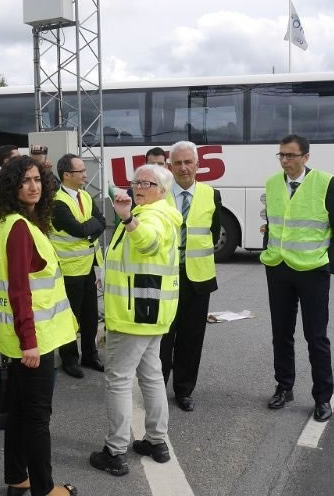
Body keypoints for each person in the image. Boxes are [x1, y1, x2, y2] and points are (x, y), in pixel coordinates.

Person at [0, 155, 79, 496]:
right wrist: (29, 341)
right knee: (37, 419)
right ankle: (44, 489)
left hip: (26, 339)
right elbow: (20, 290)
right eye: (25, 181)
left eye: (37, 180)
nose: (33, 186)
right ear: (12, 188)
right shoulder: (19, 227)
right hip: (34, 343)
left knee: (18, 414)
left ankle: (18, 478)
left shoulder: (17, 223)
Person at [89, 164, 181, 476]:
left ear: (163, 190)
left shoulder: (150, 216)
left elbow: (149, 242)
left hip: (133, 315)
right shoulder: (162, 211)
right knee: (152, 376)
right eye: (136, 181)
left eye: (148, 183)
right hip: (151, 314)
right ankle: (156, 441)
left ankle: (114, 451)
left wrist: (128, 219)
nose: (139, 187)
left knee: (119, 381)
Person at [261, 134, 334, 422]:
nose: (285, 161)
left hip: (313, 271)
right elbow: (275, 223)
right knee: (281, 334)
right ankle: (284, 387)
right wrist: (269, 249)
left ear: (306, 157)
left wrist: (328, 266)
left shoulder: (325, 182)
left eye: (291, 155)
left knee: (316, 337)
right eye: (282, 156)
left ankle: (322, 398)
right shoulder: (273, 183)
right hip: (278, 268)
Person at [159, 141, 222, 411]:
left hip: (198, 278)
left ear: (197, 165)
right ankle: (157, 387)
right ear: (169, 166)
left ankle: (184, 390)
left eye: (188, 162)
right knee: (163, 336)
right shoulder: (159, 194)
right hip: (164, 277)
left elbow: (215, 231)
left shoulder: (211, 194)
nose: (183, 168)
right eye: (178, 163)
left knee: (191, 337)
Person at [51, 154, 106, 379]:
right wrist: (90, 228)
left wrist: (89, 227)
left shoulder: (85, 195)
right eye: (81, 171)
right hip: (70, 269)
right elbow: (79, 230)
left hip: (89, 266)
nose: (85, 174)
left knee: (90, 316)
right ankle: (69, 359)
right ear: (67, 175)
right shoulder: (57, 202)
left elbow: (101, 222)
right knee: (70, 318)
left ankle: (90, 355)